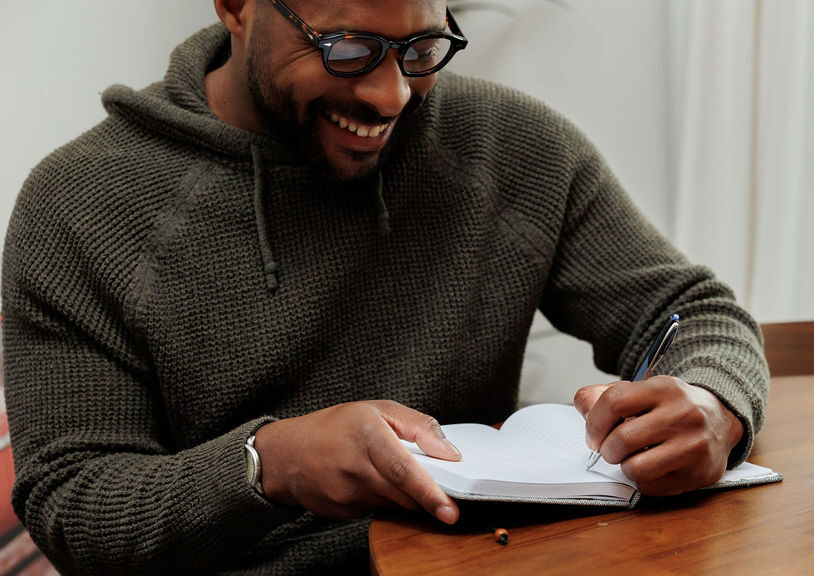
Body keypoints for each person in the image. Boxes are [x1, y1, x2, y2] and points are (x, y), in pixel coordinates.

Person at [1, 0, 769, 573]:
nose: (391, 96)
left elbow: (692, 312)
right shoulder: (79, 206)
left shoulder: (511, 145)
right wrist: (269, 465)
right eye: (348, 49)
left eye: (420, 47)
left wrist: (714, 403)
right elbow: (74, 503)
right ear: (236, 6)